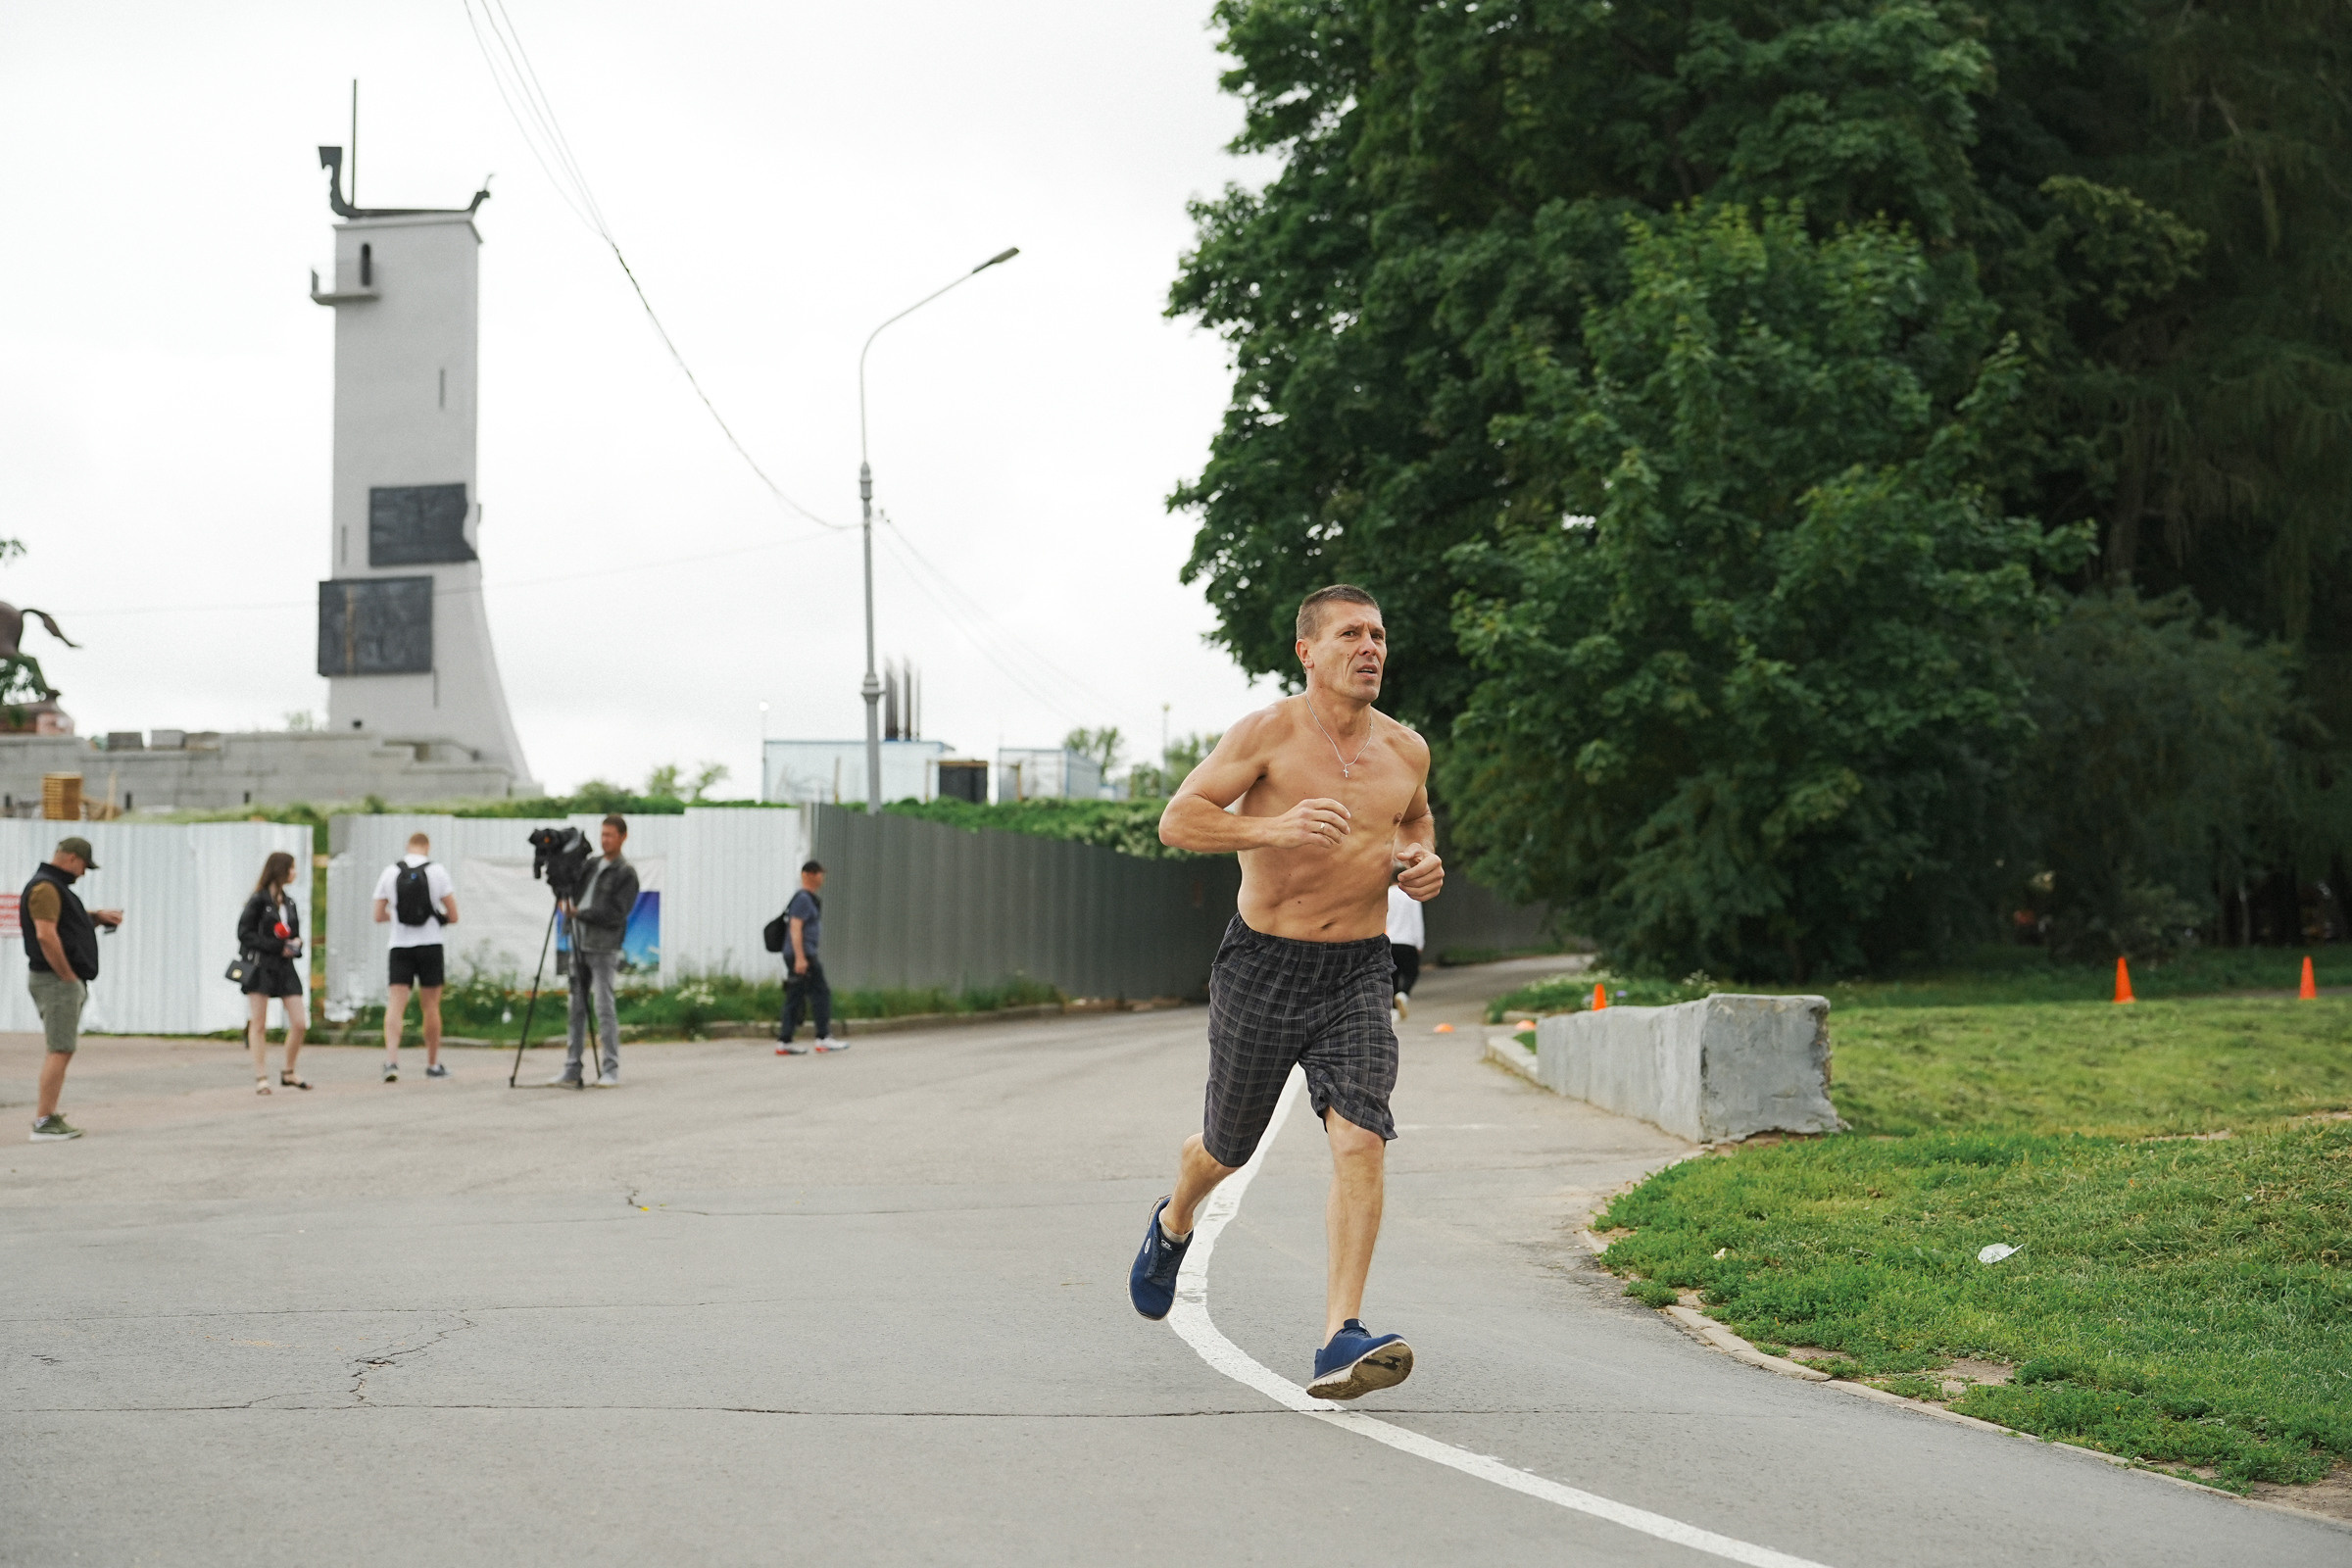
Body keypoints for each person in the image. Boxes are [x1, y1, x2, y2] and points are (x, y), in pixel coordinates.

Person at [1129, 583, 1444, 1401]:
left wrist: (1418, 860)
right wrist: (1274, 826)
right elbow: (1178, 820)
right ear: (1307, 651)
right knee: (1225, 1148)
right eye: (1351, 634)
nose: (1370, 648)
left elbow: (1414, 819)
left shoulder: (1406, 749)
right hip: (1263, 965)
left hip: (1359, 968)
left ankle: (1341, 1336)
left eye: (1378, 635)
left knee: (1362, 1138)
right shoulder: (1266, 733)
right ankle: (1174, 1221)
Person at [24, 836, 122, 1141]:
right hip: (55, 981)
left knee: (62, 1048)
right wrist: (67, 976)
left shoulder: (53, 887)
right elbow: (45, 935)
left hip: (58, 980)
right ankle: (44, 1121)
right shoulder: (46, 888)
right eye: (84, 867)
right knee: (60, 1049)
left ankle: (47, 1117)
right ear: (71, 859)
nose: (83, 874)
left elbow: (64, 923)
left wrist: (94, 917)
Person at [549, 814, 639, 1088]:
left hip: (603, 946)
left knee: (603, 1007)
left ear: (623, 837)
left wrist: (580, 913)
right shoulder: (591, 865)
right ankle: (572, 1067)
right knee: (575, 1007)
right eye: (602, 834)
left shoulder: (626, 873)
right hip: (579, 941)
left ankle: (610, 1068)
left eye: (610, 835)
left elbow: (616, 913)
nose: (604, 840)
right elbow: (571, 886)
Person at [371, 832, 458, 1083]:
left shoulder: (390, 872)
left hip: (399, 945)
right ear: (427, 847)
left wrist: (397, 916)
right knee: (430, 1006)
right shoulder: (437, 871)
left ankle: (391, 1062)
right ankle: (432, 1064)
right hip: (431, 945)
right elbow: (454, 916)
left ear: (407, 847)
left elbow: (378, 915)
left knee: (396, 1004)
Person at [237, 851, 310, 1093]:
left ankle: (289, 1071)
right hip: (261, 967)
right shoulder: (258, 900)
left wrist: (296, 944)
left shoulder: (289, 902)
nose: (294, 873)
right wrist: (276, 946)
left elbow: (294, 932)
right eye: (291, 868)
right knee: (259, 1023)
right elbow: (244, 934)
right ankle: (261, 1077)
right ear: (280, 870)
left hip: (285, 967)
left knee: (299, 1022)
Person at [775, 859, 844, 1055]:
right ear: (808, 875)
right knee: (821, 993)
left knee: (795, 997)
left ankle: (785, 1041)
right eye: (819, 873)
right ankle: (823, 1037)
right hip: (803, 955)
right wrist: (800, 957)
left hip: (802, 954)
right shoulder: (803, 899)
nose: (822, 878)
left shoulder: (806, 899)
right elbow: (795, 928)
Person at [1386, 880, 1424, 1024]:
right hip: (1408, 940)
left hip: (1390, 940)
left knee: (1393, 975)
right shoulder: (1411, 895)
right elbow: (1417, 920)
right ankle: (1403, 994)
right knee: (1411, 972)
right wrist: (1419, 942)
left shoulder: (1387, 894)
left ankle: (1394, 1010)